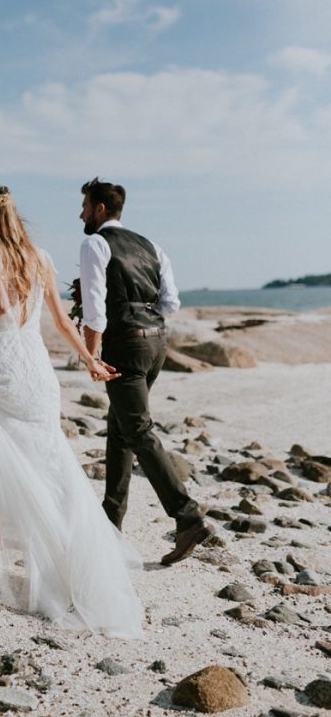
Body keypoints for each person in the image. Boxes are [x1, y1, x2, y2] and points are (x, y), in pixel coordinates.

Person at [0, 185, 143, 639]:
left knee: (2, 454)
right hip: (38, 372)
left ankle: (11, 541)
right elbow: (61, 321)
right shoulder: (40, 257)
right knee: (52, 461)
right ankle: (80, 559)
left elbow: (0, 306)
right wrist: (90, 359)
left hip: (2, 366)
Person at [78, 177, 212, 565]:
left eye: (85, 206)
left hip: (125, 345)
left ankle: (187, 517)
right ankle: (110, 522)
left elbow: (94, 307)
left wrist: (91, 354)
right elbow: (171, 303)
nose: (81, 213)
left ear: (100, 209)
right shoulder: (151, 245)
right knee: (121, 426)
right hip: (157, 342)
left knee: (137, 430)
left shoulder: (95, 243)